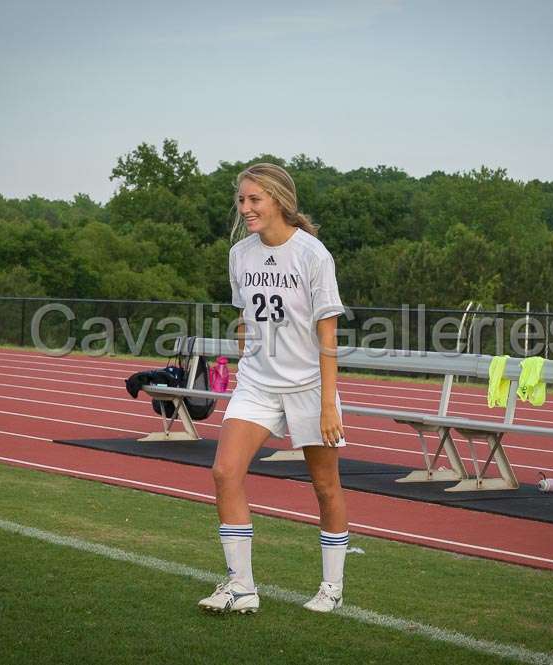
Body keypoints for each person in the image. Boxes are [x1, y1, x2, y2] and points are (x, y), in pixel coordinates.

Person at [198, 163, 349, 614]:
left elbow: (328, 337)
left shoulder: (313, 255)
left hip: (308, 386)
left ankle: (332, 588)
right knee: (225, 472)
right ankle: (241, 587)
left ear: (279, 200)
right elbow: (246, 314)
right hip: (258, 383)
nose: (245, 208)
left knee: (325, 487)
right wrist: (246, 343)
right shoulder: (240, 254)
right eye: (241, 200)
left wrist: (327, 406)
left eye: (253, 200)